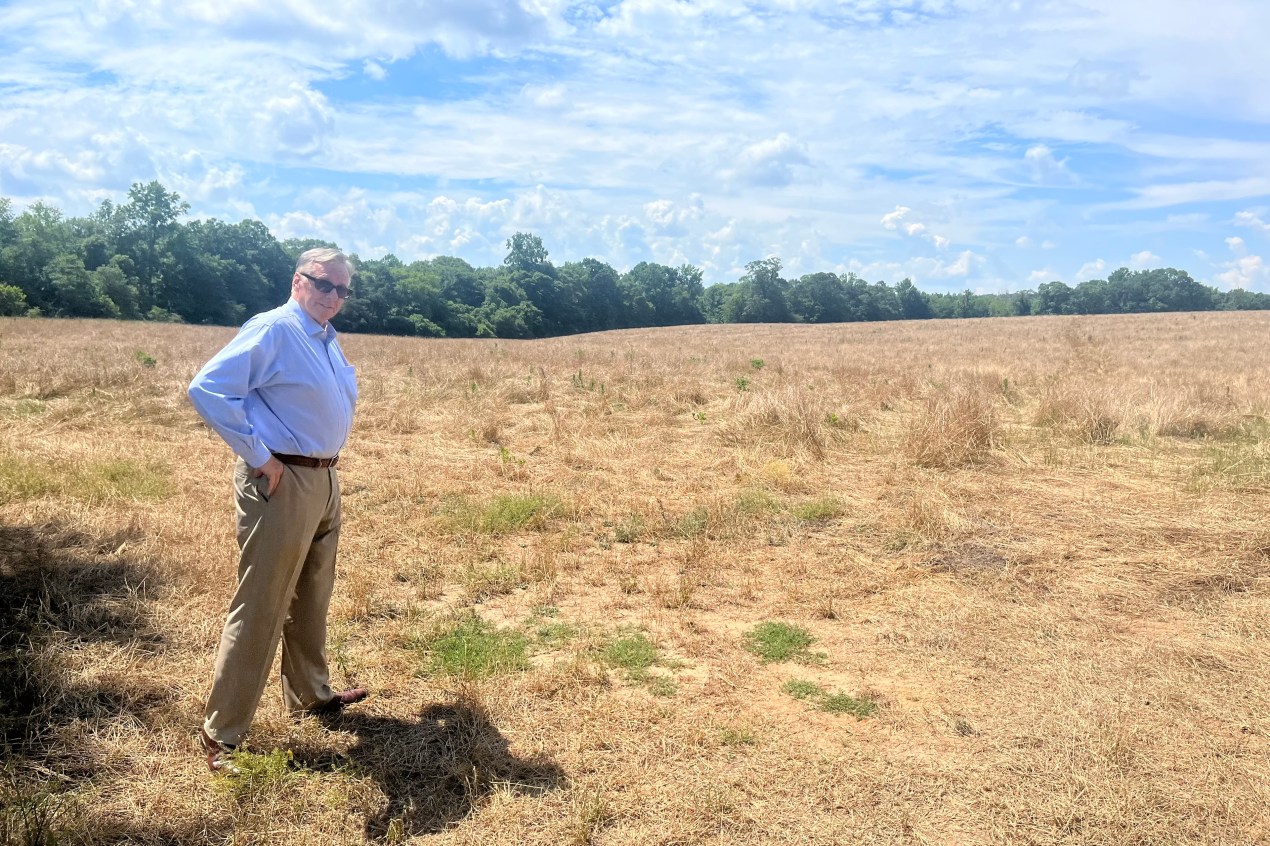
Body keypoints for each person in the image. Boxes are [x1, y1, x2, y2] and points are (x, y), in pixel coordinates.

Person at [187, 247, 367, 773]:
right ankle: (221, 737)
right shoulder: (276, 329)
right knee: (262, 602)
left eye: (342, 290)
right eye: (324, 284)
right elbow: (209, 388)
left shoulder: (325, 339)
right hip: (282, 479)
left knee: (312, 592)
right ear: (298, 281)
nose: (333, 297)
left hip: (323, 477)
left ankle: (311, 695)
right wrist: (259, 456)